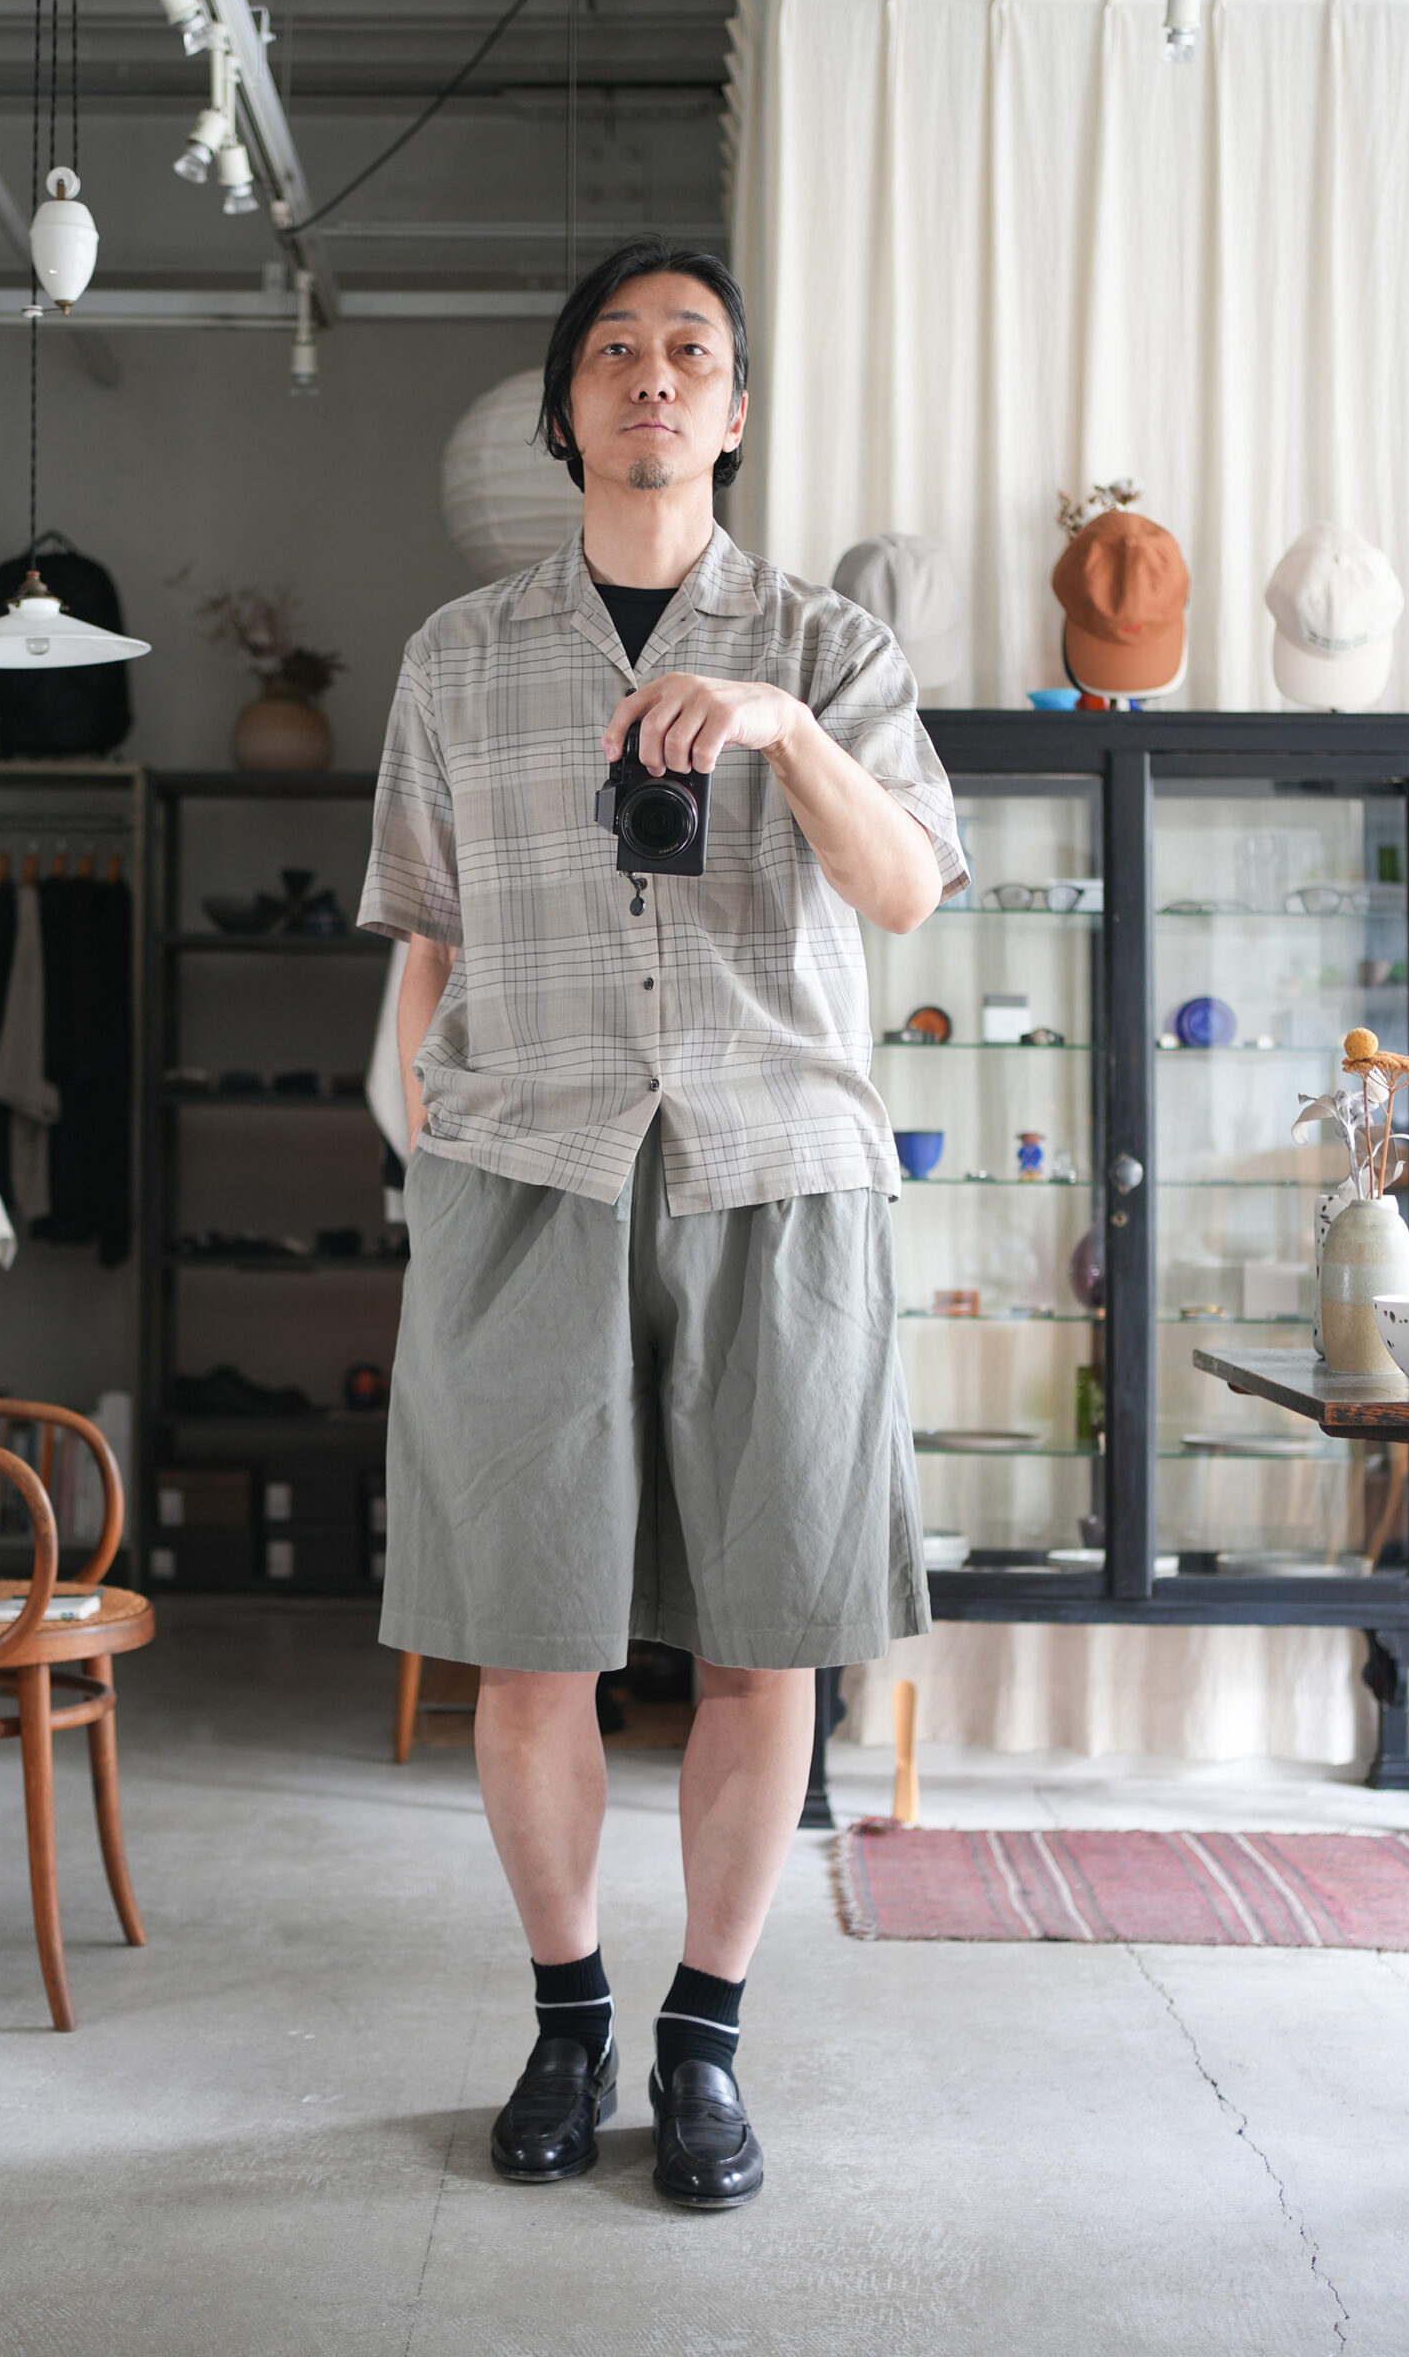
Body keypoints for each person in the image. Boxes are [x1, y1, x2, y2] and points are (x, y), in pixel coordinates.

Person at [359, 237, 966, 2211]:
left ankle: (704, 2036)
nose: (651, 375)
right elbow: (421, 936)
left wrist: (783, 726)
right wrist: (424, 1148)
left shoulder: (827, 644)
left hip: (772, 1176)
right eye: (612, 350)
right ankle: (568, 2018)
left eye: (688, 351)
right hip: (521, 1175)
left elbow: (905, 892)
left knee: (763, 1640)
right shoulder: (458, 656)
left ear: (732, 410)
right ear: (567, 410)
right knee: (525, 1643)